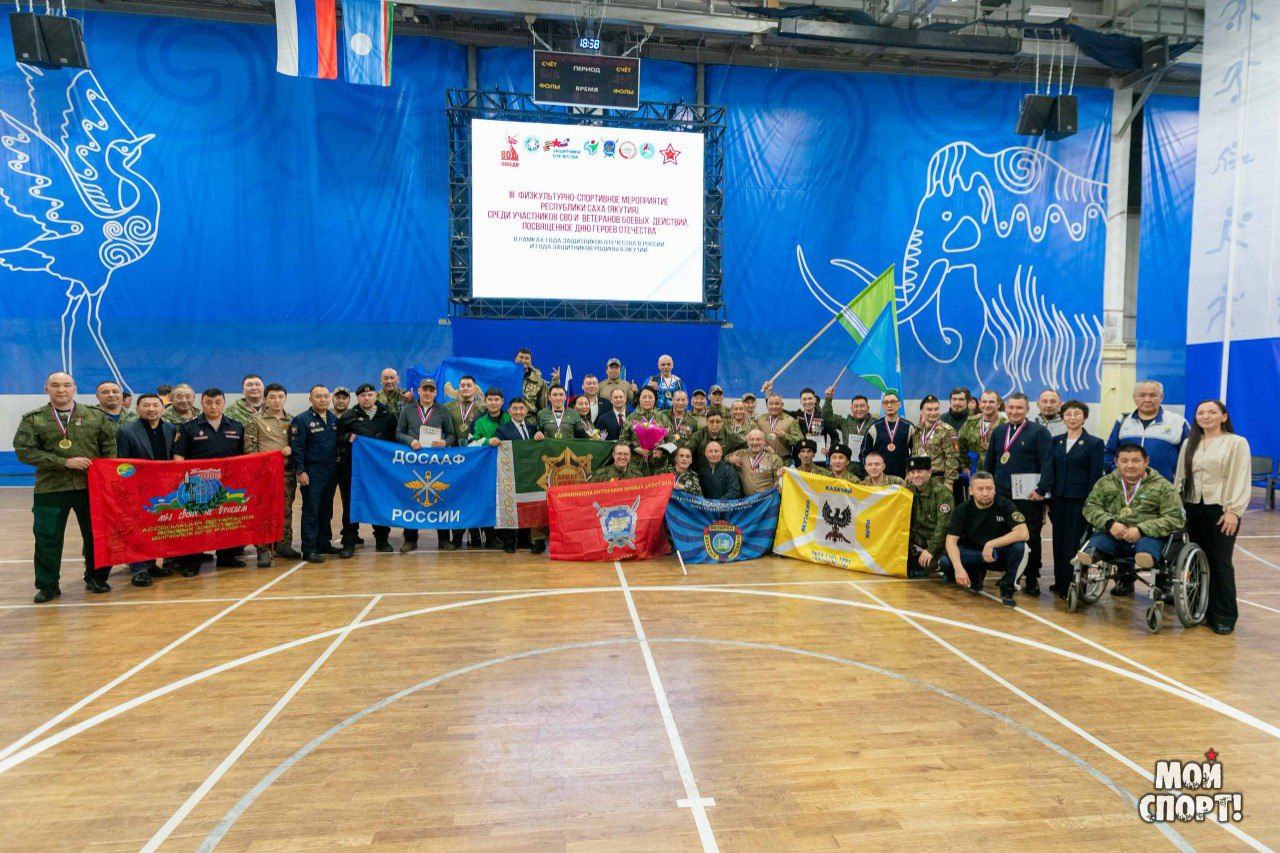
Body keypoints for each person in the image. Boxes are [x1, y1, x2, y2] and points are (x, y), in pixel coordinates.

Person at [14, 373, 117, 602]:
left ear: (75, 388)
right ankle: (48, 585)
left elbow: (109, 445)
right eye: (55, 385)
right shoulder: (33, 419)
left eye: (67, 385)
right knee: (47, 537)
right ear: (46, 389)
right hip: (50, 488)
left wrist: (105, 474)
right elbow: (24, 451)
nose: (61, 390)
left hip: (90, 487)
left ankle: (96, 578)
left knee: (96, 535)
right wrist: (64, 462)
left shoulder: (95, 416)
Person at [1174, 400, 1252, 635]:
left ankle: (1224, 615)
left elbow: (1240, 476)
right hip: (1193, 507)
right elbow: (1180, 477)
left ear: (1224, 417)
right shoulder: (1189, 443)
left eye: (1211, 412)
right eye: (1201, 412)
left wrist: (1233, 511)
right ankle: (1202, 610)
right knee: (1198, 561)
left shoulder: (1236, 442)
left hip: (1221, 509)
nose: (1205, 416)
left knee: (1220, 561)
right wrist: (1176, 507)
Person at [1079, 443, 1184, 595]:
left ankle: (1151, 567)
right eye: (1124, 461)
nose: (1130, 465)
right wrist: (1110, 523)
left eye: (1136, 461)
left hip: (1147, 537)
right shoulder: (1105, 483)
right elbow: (1090, 507)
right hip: (1113, 535)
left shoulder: (1163, 487)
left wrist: (1141, 529)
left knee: (1147, 549)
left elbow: (1176, 518)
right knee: (1098, 542)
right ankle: (1092, 553)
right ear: (1116, 462)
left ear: (1146, 461)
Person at [172, 387, 247, 575]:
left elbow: (244, 457)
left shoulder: (237, 427)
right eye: (209, 402)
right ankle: (192, 562)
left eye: (218, 402)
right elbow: (178, 456)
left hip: (228, 484)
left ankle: (227, 557)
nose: (213, 407)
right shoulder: (188, 428)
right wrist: (184, 482)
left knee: (227, 520)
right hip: (198, 486)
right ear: (201, 403)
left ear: (224, 403)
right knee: (197, 524)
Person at [985, 392, 1052, 596]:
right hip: (1002, 495)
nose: (1015, 411)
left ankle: (1032, 577)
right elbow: (990, 462)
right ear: (1005, 408)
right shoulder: (999, 431)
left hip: (1028, 497)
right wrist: (988, 487)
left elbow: (1047, 463)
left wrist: (1041, 490)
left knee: (1031, 536)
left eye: (1019, 408)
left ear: (1027, 409)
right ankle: (1011, 574)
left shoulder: (1039, 432)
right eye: (1011, 407)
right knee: (1004, 534)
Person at [114, 393, 178, 586]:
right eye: (146, 405)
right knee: (137, 530)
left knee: (156, 529)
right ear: (137, 409)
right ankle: (139, 570)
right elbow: (122, 463)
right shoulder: (126, 431)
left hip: (164, 488)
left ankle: (151, 565)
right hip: (137, 489)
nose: (151, 409)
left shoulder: (171, 429)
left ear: (163, 408)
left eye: (155, 405)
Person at [1041, 400, 1104, 596]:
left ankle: (1075, 584)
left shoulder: (1094, 443)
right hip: (1058, 499)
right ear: (1063, 417)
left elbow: (1095, 476)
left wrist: (1092, 502)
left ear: (1084, 417)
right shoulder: (1055, 441)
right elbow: (1050, 469)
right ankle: (1060, 582)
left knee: (1075, 542)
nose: (1072, 418)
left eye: (1077, 414)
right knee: (1058, 541)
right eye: (1068, 414)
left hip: (1080, 501)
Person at [940, 471, 1030, 607]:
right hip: (974, 555)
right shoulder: (962, 510)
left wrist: (991, 544)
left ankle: (1008, 586)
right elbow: (951, 541)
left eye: (989, 489)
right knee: (946, 562)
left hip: (997, 555)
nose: (985, 493)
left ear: (994, 489)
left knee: (1021, 547)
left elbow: (1024, 533)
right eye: (980, 489)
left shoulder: (1005, 505)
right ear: (971, 490)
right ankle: (975, 576)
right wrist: (959, 569)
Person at [396, 377, 457, 554]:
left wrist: (445, 443)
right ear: (419, 391)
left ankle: (444, 539)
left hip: (437, 462)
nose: (428, 393)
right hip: (414, 462)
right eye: (425, 389)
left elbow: (451, 435)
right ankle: (410, 539)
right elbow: (399, 433)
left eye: (431, 390)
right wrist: (410, 441)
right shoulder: (408, 409)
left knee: (440, 498)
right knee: (411, 498)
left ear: (436, 393)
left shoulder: (443, 411)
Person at [337, 383, 397, 557]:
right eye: (363, 396)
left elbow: (395, 439)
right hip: (354, 470)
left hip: (379, 470)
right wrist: (347, 437)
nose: (367, 398)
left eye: (370, 395)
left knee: (379, 502)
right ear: (357, 398)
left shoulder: (387, 415)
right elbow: (338, 438)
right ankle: (349, 541)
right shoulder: (348, 416)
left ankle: (382, 539)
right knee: (351, 504)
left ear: (376, 396)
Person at [244, 383, 298, 566]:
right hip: (264, 476)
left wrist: (292, 449)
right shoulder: (255, 420)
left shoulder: (292, 421)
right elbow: (249, 450)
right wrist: (264, 462)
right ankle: (263, 550)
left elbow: (299, 446)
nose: (277, 401)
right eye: (272, 397)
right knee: (263, 513)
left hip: (286, 474)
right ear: (265, 399)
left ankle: (284, 545)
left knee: (286, 511)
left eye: (280, 397)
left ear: (285, 398)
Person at [289, 385, 341, 564]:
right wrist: (300, 471)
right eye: (318, 396)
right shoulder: (301, 420)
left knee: (326, 509)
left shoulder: (333, 419)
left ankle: (323, 543)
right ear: (310, 399)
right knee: (311, 510)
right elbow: (297, 448)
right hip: (312, 471)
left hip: (330, 471)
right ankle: (309, 549)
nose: (323, 399)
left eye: (325, 396)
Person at [1104, 380, 1190, 481]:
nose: (1147, 399)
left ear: (1161, 397)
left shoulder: (1177, 422)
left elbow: (1190, 456)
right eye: (1142, 395)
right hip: (1127, 487)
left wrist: (1178, 479)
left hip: (1164, 487)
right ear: (1134, 397)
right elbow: (1109, 453)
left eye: (1153, 395)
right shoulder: (1123, 421)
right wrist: (1120, 475)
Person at [495, 398, 545, 553]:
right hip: (510, 475)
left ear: (526, 410)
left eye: (521, 408)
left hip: (530, 475)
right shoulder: (502, 430)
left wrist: (540, 436)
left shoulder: (532, 428)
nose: (518, 412)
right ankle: (510, 542)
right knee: (509, 506)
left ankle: (526, 540)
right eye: (515, 409)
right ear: (509, 411)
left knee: (529, 506)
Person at [906, 455, 953, 579]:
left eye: (920, 471)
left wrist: (930, 550)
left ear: (929, 472)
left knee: (945, 564)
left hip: (937, 546)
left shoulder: (942, 494)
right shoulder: (908, 491)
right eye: (913, 472)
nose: (916, 475)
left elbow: (943, 527)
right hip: (917, 543)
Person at [910, 395, 960, 486]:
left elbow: (952, 459)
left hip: (938, 481)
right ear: (922, 411)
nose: (933, 413)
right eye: (929, 409)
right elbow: (914, 454)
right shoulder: (918, 430)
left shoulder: (948, 431)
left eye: (936, 409)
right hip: (918, 481)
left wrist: (949, 483)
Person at [821, 391, 874, 477]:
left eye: (862, 406)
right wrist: (828, 399)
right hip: (849, 469)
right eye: (856, 406)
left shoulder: (875, 424)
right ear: (851, 408)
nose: (859, 409)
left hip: (869, 469)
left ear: (868, 407)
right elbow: (826, 418)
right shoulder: (845, 421)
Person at [862, 392, 914, 478]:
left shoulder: (909, 427)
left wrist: (911, 473)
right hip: (878, 479)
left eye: (893, 402)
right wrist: (870, 473)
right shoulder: (874, 428)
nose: (889, 405)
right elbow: (864, 454)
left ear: (899, 404)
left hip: (903, 478)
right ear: (883, 405)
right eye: (886, 402)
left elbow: (915, 453)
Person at [959, 390, 1005, 476]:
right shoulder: (970, 422)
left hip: (997, 474)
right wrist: (964, 467)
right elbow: (960, 446)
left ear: (998, 404)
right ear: (979, 404)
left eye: (991, 402)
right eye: (984, 402)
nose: (987, 405)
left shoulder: (1005, 424)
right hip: (974, 474)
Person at [728, 429, 784, 494]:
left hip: (767, 499)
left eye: (758, 439)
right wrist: (730, 460)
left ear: (764, 441)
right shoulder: (740, 454)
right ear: (747, 441)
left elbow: (779, 483)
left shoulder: (774, 459)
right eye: (752, 439)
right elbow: (724, 458)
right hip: (746, 499)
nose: (755, 442)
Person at [791, 387, 838, 463]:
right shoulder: (796, 416)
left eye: (810, 398)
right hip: (799, 460)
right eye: (804, 399)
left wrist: (830, 449)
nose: (807, 402)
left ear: (815, 400)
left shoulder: (823, 417)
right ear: (801, 401)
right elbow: (778, 410)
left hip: (819, 460)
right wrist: (770, 394)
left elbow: (835, 437)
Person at [757, 393, 804, 460]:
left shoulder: (790, 420)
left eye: (777, 404)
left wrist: (784, 436)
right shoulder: (760, 419)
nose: (774, 406)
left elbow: (800, 441)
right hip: (764, 460)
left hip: (784, 461)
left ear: (782, 404)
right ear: (767, 405)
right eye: (771, 404)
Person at [445, 375, 483, 440]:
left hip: (476, 446)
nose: (465, 388)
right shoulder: (450, 410)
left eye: (469, 385)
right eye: (462, 386)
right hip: (454, 446)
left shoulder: (482, 409)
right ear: (459, 388)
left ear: (475, 389)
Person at [515, 347, 549, 412]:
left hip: (529, 416)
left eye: (526, 358)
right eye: (521, 357)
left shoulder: (538, 380)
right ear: (515, 359)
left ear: (531, 362)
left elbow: (548, 396)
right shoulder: (507, 375)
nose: (523, 361)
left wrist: (556, 380)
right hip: (509, 414)